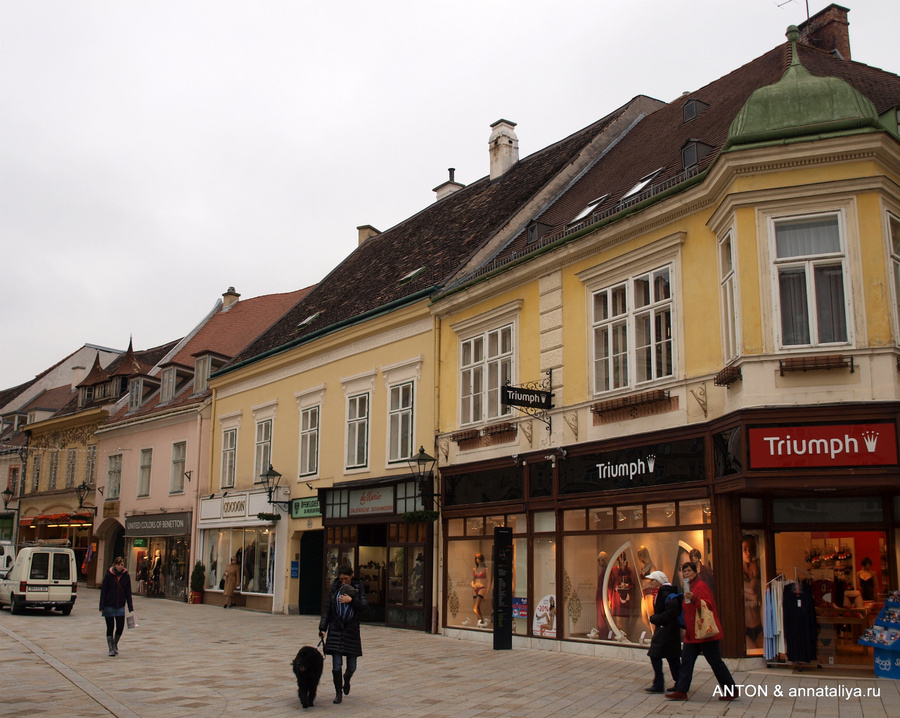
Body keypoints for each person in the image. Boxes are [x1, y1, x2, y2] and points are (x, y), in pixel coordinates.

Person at [666, 562, 736, 702]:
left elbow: (708, 605)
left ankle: (731, 690)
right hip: (692, 634)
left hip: (705, 634)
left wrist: (694, 598)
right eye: (684, 571)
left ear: (695, 572)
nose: (686, 573)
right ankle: (681, 690)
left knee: (715, 662)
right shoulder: (689, 587)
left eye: (689, 571)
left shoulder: (701, 586)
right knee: (686, 661)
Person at [319, 564, 367, 705]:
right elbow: (328, 608)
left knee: (352, 666)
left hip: (351, 631)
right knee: (336, 665)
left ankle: (347, 678)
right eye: (341, 579)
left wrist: (351, 601)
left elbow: (364, 607)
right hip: (336, 629)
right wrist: (323, 628)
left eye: (346, 578)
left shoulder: (358, 587)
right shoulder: (335, 587)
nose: (343, 581)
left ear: (352, 576)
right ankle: (338, 693)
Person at [645, 571, 681, 694]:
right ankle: (679, 682)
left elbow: (670, 612)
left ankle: (659, 683)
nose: (651, 583)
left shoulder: (664, 593)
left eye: (653, 580)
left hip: (665, 629)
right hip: (668, 630)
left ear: (659, 581)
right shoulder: (665, 592)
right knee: (672, 657)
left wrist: (656, 618)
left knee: (656, 655)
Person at [98, 556, 134, 657]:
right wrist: (102, 606)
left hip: (120, 605)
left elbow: (128, 592)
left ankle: (115, 643)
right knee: (110, 627)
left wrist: (130, 606)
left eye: (122, 565)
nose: (120, 567)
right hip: (109, 605)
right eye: (118, 565)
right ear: (114, 565)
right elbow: (103, 591)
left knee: (120, 627)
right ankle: (110, 648)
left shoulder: (126, 576)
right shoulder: (109, 576)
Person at [741, 536, 763, 650]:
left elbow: (753, 593)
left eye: (750, 549)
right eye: (744, 549)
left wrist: (745, 593)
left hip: (758, 624)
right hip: (744, 626)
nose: (748, 553)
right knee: (753, 653)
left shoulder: (756, 567)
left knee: (764, 656)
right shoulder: (737, 571)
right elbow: (752, 591)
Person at [471, 553, 490, 627]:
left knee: (475, 608)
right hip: (474, 589)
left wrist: (486, 594)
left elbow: (489, 582)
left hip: (482, 588)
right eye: (476, 559)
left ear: (482, 559)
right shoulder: (474, 569)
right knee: (478, 608)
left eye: (479, 559)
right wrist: (472, 585)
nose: (477, 560)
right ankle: (480, 623)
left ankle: (481, 621)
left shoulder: (486, 569)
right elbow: (473, 580)